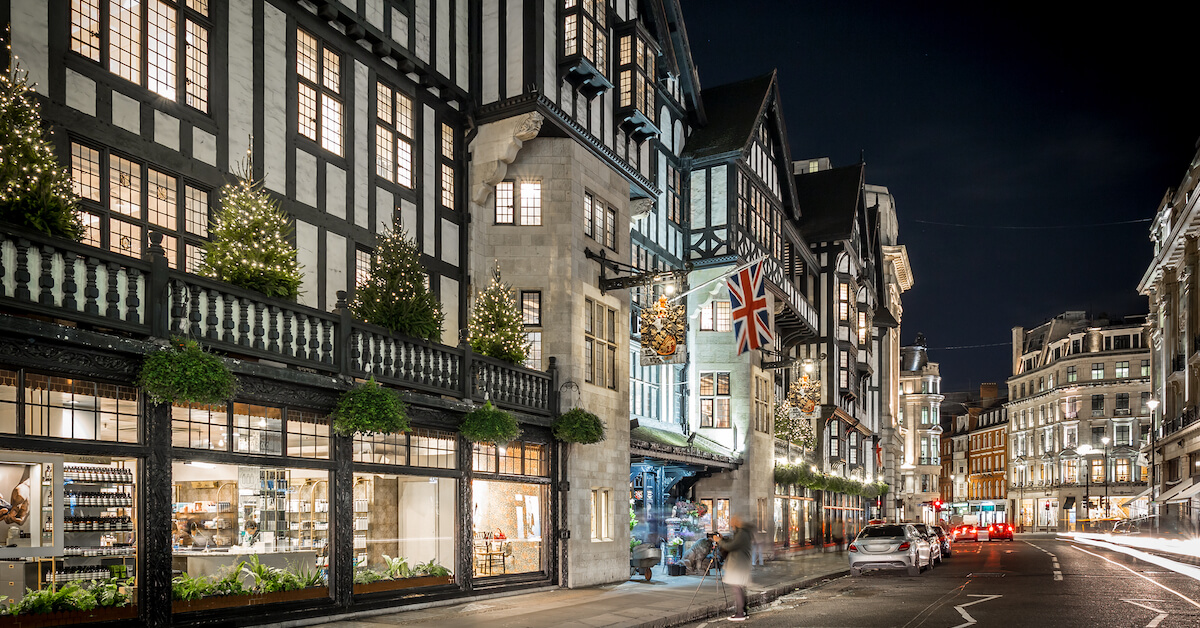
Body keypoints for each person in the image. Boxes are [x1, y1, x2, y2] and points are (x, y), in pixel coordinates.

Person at [716, 514, 753, 622]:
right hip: (740, 564)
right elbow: (733, 543)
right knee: (740, 588)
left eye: (732, 522)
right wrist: (723, 539)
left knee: (737, 589)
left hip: (738, 566)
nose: (731, 524)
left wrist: (719, 540)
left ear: (737, 523)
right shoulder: (742, 533)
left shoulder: (742, 534)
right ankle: (744, 611)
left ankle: (740, 613)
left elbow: (731, 546)